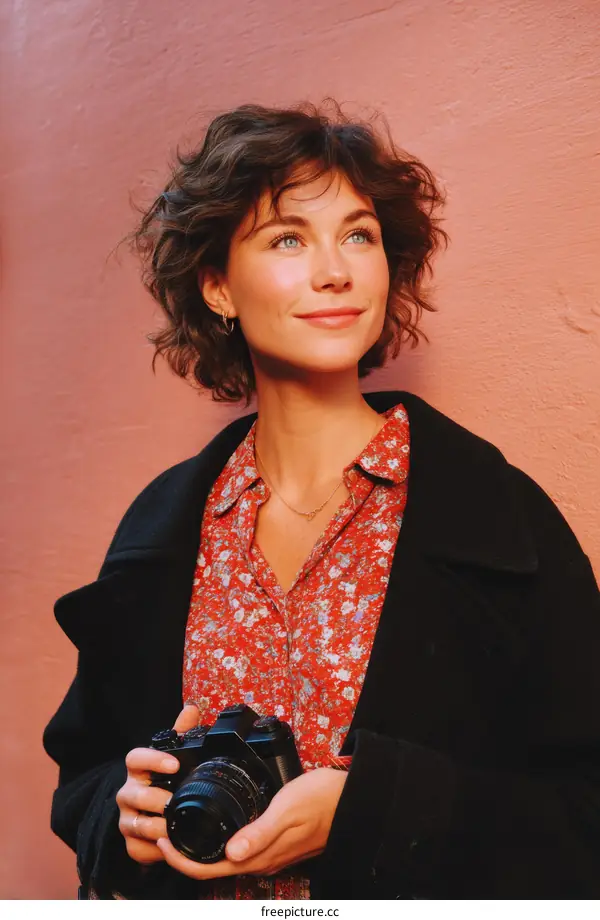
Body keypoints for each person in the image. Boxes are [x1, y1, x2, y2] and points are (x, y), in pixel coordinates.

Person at [43, 100, 600, 900]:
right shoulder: (163, 528)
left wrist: (373, 810)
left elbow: (585, 813)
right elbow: (85, 776)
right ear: (217, 287)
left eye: (359, 235)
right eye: (287, 239)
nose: (335, 270)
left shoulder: (498, 517)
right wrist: (122, 820)